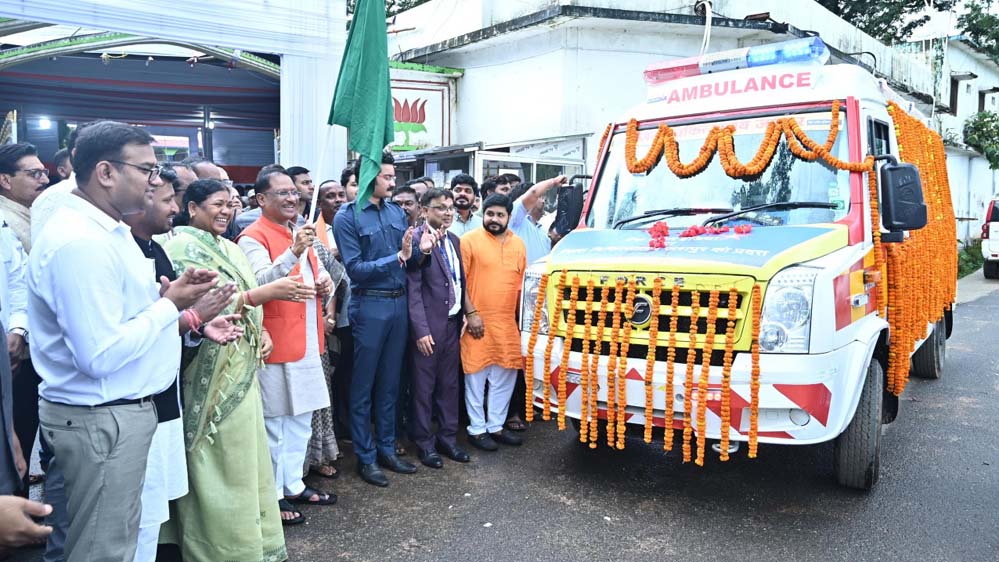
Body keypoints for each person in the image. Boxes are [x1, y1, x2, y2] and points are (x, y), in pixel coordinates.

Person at [29, 120, 216, 562]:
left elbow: (118, 312)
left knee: (115, 541)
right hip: (102, 416)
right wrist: (170, 308)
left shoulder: (109, 232)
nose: (155, 181)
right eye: (147, 170)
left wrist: (167, 296)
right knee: (102, 549)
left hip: (115, 414)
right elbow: (100, 353)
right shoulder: (81, 242)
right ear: (106, 173)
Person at [161, 178, 304, 559]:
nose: (227, 211)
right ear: (191, 207)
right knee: (217, 462)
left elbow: (245, 293)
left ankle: (251, 543)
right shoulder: (179, 246)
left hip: (241, 367)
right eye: (218, 204)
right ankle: (217, 548)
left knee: (246, 460)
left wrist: (263, 327)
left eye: (232, 205)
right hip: (207, 375)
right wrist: (261, 296)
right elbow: (202, 307)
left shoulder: (229, 246)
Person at [125, 178, 242, 562]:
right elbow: (130, 330)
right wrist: (190, 315)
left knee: (154, 502)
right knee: (130, 511)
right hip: (130, 399)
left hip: (162, 391)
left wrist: (199, 326)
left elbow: (168, 321)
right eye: (165, 201)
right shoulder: (116, 251)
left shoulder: (155, 250)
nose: (172, 210)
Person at [332, 152, 436, 487]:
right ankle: (366, 457)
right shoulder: (347, 217)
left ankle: (387, 449)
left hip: (398, 304)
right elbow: (356, 270)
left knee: (392, 383)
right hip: (369, 305)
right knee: (363, 385)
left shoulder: (396, 212)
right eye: (387, 177)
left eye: (392, 176)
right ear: (368, 177)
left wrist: (425, 250)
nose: (393, 182)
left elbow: (412, 261)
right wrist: (399, 257)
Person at [237, 169, 337, 518]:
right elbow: (259, 281)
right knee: (275, 423)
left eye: (294, 193)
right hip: (275, 339)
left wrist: (325, 284)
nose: (292, 198)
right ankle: (273, 492)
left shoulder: (299, 231)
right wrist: (294, 252)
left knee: (301, 420)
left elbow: (317, 276)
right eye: (282, 193)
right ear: (261, 199)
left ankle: (294, 484)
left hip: (309, 339)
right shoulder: (252, 237)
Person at [407, 188, 480, 468]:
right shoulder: (417, 240)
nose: (448, 212)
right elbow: (413, 290)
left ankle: (448, 438)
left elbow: (457, 281)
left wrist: (463, 312)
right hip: (428, 326)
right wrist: (420, 330)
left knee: (449, 385)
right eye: (440, 207)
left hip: (452, 324)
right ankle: (424, 443)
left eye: (450, 208)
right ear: (424, 210)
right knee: (424, 387)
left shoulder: (454, 239)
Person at [459, 194, 526, 451]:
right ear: (483, 213)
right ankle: (477, 430)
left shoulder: (518, 244)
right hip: (477, 320)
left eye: (500, 215)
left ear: (509, 217)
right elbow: (460, 281)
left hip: (507, 322)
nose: (494, 219)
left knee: (505, 375)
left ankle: (496, 426)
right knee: (476, 377)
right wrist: (471, 313)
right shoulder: (469, 241)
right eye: (490, 214)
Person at [304, 185, 349, 480]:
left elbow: (334, 277)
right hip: (283, 337)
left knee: (321, 396)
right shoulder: (256, 239)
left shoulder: (312, 242)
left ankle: (319, 456)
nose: (290, 203)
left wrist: (329, 313)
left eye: (293, 199)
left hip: (317, 330)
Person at [315, 181, 355, 439]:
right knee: (333, 372)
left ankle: (347, 422)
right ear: (319, 204)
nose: (338, 200)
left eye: (341, 194)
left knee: (350, 370)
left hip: (352, 311)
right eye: (330, 196)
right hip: (325, 315)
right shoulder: (315, 232)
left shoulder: (352, 223)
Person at [0, 142, 49, 253]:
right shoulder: (5, 225)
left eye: (44, 172)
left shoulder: (27, 212)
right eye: (35, 173)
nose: (46, 180)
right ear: (5, 181)